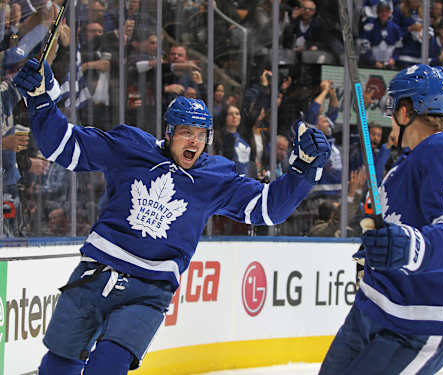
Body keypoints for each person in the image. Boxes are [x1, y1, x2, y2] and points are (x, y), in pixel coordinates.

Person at [13, 58, 331, 375]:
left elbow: (269, 208)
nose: (194, 141)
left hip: (148, 292)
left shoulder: (215, 177)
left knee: (106, 367)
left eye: (201, 134)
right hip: (94, 275)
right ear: (169, 132)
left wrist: (304, 169)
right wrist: (41, 99)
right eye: (186, 132)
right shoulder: (130, 147)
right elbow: (66, 148)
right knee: (56, 367)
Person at [319, 64, 443, 374]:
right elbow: (401, 232)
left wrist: (408, 246)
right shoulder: (406, 163)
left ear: (407, 110)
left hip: (419, 319)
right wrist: (379, 249)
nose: (390, 117)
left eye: (394, 107)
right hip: (374, 307)